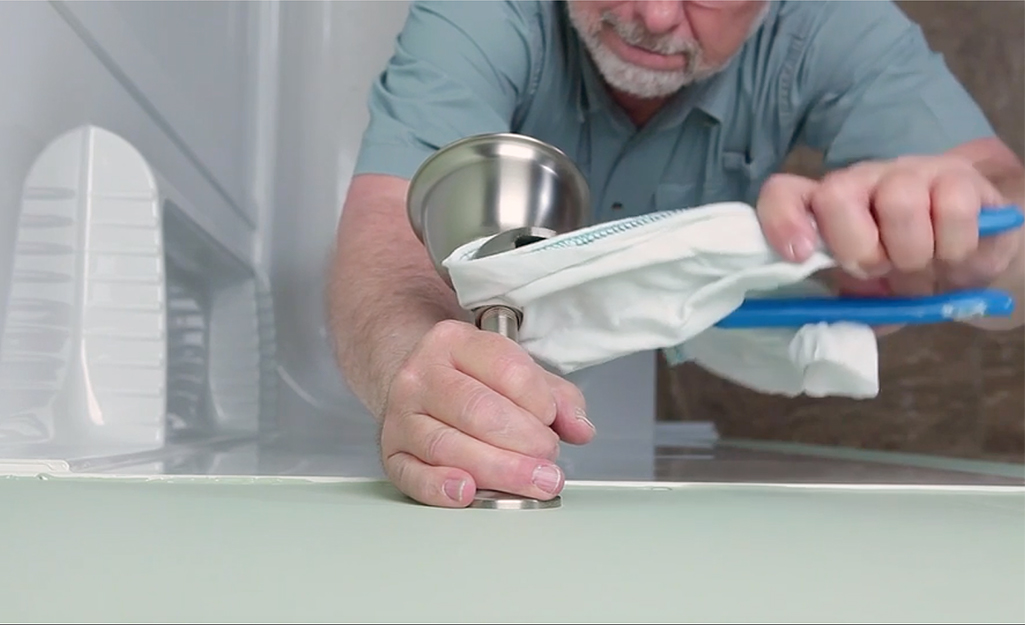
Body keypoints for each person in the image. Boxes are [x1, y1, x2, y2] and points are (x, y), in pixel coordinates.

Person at [328, 0, 1025, 508]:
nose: (655, 16)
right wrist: (415, 366)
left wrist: (974, 235)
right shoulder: (485, 14)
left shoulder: (835, 27)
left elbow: (1010, 249)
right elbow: (386, 234)